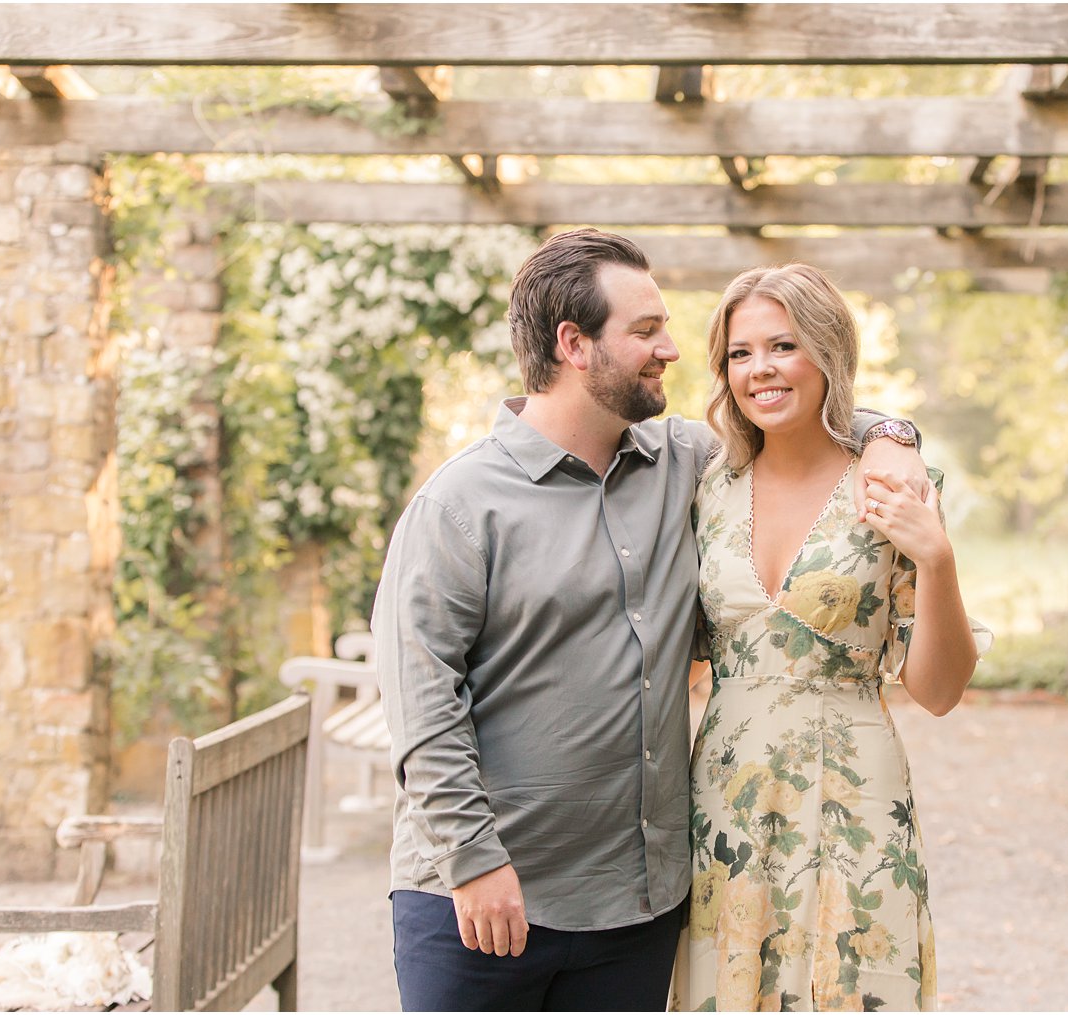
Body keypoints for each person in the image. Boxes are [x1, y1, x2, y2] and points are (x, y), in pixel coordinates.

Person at [373, 229, 930, 1012]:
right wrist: (470, 861)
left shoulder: (687, 465)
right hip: (482, 904)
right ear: (574, 344)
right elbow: (420, 703)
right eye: (645, 331)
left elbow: (802, 413)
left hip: (635, 912)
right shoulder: (460, 505)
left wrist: (892, 434)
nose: (671, 348)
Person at [672, 264, 991, 1012]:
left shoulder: (891, 485)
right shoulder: (705, 482)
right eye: (739, 353)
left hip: (856, 787)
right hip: (727, 789)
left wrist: (936, 558)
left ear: (827, 353)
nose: (761, 370)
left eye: (783, 345)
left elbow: (939, 692)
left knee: (853, 984)